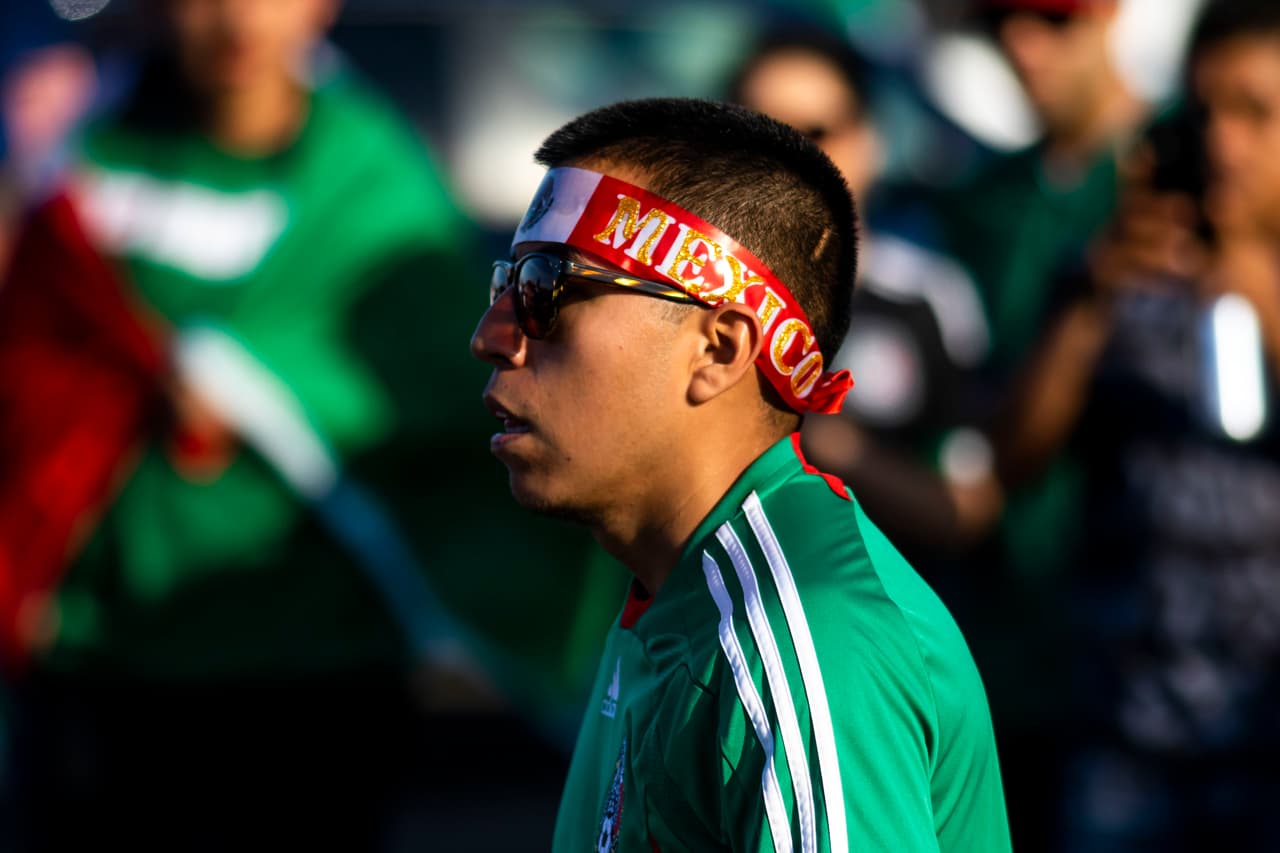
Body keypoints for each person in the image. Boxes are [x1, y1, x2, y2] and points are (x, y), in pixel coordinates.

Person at [470, 97, 1011, 851]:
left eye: (547, 288)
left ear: (719, 350)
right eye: (505, 283)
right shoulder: (680, 580)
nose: (491, 336)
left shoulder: (811, 635)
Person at [997, 1, 1280, 848]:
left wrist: (1249, 279)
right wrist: (1093, 295)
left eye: (1256, 113)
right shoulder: (1109, 265)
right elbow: (1013, 460)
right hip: (1124, 729)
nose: (1224, 143)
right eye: (1205, 112)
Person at [731, 28, 998, 557]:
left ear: (868, 142)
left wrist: (833, 449)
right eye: (761, 134)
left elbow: (970, 507)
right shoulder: (681, 295)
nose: (788, 160)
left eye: (813, 131)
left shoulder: (930, 297)